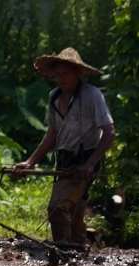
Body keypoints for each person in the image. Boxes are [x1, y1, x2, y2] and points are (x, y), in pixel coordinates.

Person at [14, 47, 115, 247]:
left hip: (85, 158)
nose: (61, 78)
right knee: (74, 209)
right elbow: (52, 134)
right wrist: (31, 161)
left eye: (65, 74)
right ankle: (81, 246)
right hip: (64, 159)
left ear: (77, 73)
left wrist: (90, 163)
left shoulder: (92, 95)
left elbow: (109, 132)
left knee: (58, 208)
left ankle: (63, 252)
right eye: (57, 74)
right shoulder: (53, 97)